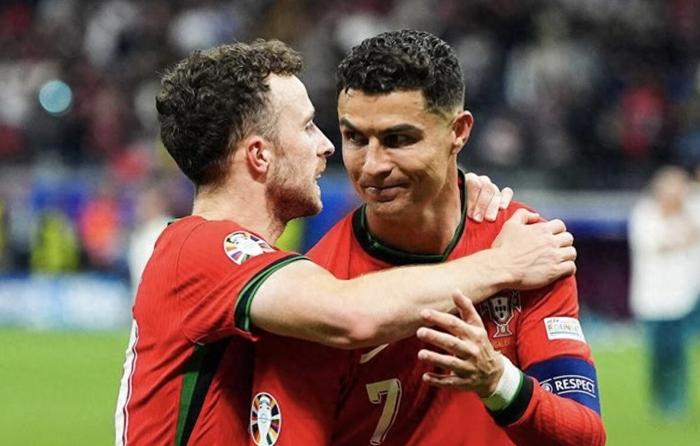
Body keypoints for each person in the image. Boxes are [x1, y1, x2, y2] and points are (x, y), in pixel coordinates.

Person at [114, 40, 577, 445]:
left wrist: (446, 191)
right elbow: (352, 313)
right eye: (307, 126)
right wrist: (502, 263)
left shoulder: (238, 269)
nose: (327, 146)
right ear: (259, 155)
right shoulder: (201, 248)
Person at [251, 30, 604, 445]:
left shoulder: (527, 245)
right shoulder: (316, 292)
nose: (373, 165)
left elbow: (584, 436)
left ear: (459, 132)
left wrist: (498, 381)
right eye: (355, 138)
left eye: (399, 140)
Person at [629, 166, 700, 419]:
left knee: (678, 354)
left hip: (681, 299)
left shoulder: (689, 212)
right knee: (658, 354)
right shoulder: (645, 214)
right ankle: (659, 401)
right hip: (651, 299)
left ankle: (677, 402)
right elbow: (656, 244)